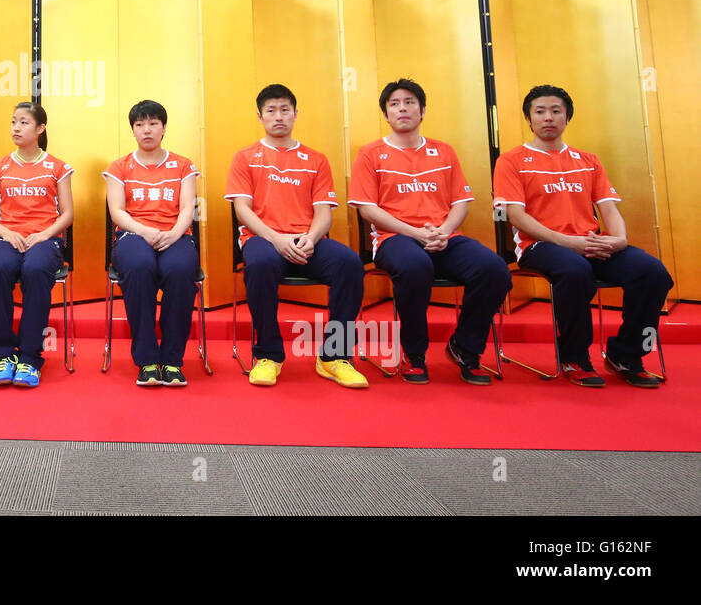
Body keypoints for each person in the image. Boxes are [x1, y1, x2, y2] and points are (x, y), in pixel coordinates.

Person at [493, 85, 673, 388]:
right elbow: (516, 216)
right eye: (540, 111)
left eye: (556, 111)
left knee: (653, 273)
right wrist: (566, 242)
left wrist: (619, 240)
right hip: (540, 245)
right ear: (529, 119)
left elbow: (608, 208)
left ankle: (629, 354)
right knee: (575, 271)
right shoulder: (511, 161)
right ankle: (575, 357)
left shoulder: (587, 160)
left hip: (591, 242)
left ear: (567, 117)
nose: (548, 117)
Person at [349, 78, 511, 384]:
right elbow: (368, 210)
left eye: (409, 102)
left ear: (422, 110)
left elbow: (460, 203)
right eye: (394, 104)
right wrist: (416, 233)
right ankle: (415, 354)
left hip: (444, 237)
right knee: (414, 267)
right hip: (393, 238)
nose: (402, 109)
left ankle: (465, 347)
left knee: (494, 270)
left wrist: (443, 231)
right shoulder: (370, 154)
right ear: (386, 114)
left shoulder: (444, 152)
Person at [226, 84, 368, 389]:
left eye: (285, 110)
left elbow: (324, 212)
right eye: (271, 111)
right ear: (260, 116)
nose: (278, 116)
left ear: (295, 113)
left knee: (349, 264)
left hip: (307, 242)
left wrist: (311, 238)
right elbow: (243, 210)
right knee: (260, 265)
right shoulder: (245, 157)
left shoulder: (315, 159)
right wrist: (277, 239)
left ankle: (334, 356)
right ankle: (268, 355)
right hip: (263, 239)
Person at [104, 99, 199, 387]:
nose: (147, 130)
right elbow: (117, 212)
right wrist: (145, 231)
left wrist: (173, 233)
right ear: (132, 130)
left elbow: (187, 209)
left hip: (176, 234)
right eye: (140, 124)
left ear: (164, 127)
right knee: (140, 266)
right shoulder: (119, 167)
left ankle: (172, 360)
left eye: (153, 123)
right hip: (133, 235)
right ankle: (146, 360)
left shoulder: (183, 165)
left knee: (180, 270)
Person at [0, 102, 73, 389]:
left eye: (24, 123)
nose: (16, 128)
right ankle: (3, 355)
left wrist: (45, 235)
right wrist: (5, 232)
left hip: (44, 239)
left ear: (40, 128)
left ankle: (31, 356)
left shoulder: (58, 167)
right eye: (14, 122)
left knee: (35, 270)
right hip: (8, 237)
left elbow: (68, 213)